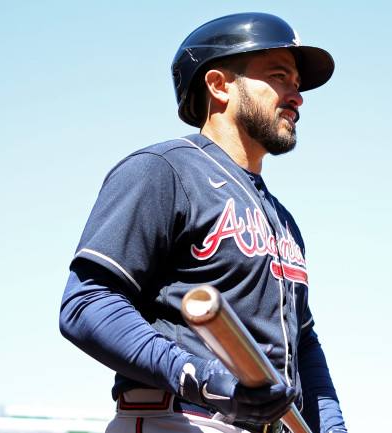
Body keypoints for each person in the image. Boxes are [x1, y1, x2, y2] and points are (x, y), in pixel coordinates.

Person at [59, 12, 348, 433]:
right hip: (179, 420)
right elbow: (86, 303)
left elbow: (303, 342)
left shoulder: (284, 221)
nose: (296, 95)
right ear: (218, 85)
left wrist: (334, 428)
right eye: (279, 76)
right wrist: (205, 378)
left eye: (297, 84)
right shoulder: (163, 170)